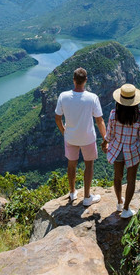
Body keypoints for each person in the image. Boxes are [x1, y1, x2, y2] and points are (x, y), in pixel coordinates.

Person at [55, 67, 107, 206]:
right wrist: (105, 138)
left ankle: (72, 193)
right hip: (88, 138)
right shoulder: (92, 98)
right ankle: (87, 197)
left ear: (73, 80)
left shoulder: (63, 96)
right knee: (89, 165)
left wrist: (63, 131)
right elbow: (99, 120)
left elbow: (57, 118)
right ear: (86, 80)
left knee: (71, 164)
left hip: (70, 137)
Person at [102, 83, 140, 219]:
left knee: (117, 177)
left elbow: (110, 134)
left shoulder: (113, 114)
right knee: (131, 180)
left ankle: (119, 202)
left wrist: (104, 143)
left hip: (117, 150)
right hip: (133, 151)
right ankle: (126, 209)